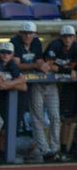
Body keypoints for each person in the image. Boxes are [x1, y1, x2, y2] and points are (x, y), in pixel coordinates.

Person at [10, 22, 57, 162]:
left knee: (45, 117)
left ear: (35, 34)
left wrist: (43, 65)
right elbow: (16, 64)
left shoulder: (36, 42)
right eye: (25, 33)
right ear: (20, 33)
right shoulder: (14, 42)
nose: (28, 36)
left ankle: (50, 150)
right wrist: (35, 65)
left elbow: (39, 61)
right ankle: (8, 153)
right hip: (15, 84)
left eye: (31, 33)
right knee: (14, 116)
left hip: (32, 84)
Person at [44, 25, 77, 161]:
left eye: (70, 36)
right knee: (66, 120)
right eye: (65, 36)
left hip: (73, 85)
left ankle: (74, 149)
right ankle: (63, 150)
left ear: (74, 37)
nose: (67, 39)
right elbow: (48, 65)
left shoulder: (76, 47)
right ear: (61, 37)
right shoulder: (55, 45)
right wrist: (69, 70)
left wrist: (61, 68)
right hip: (66, 87)